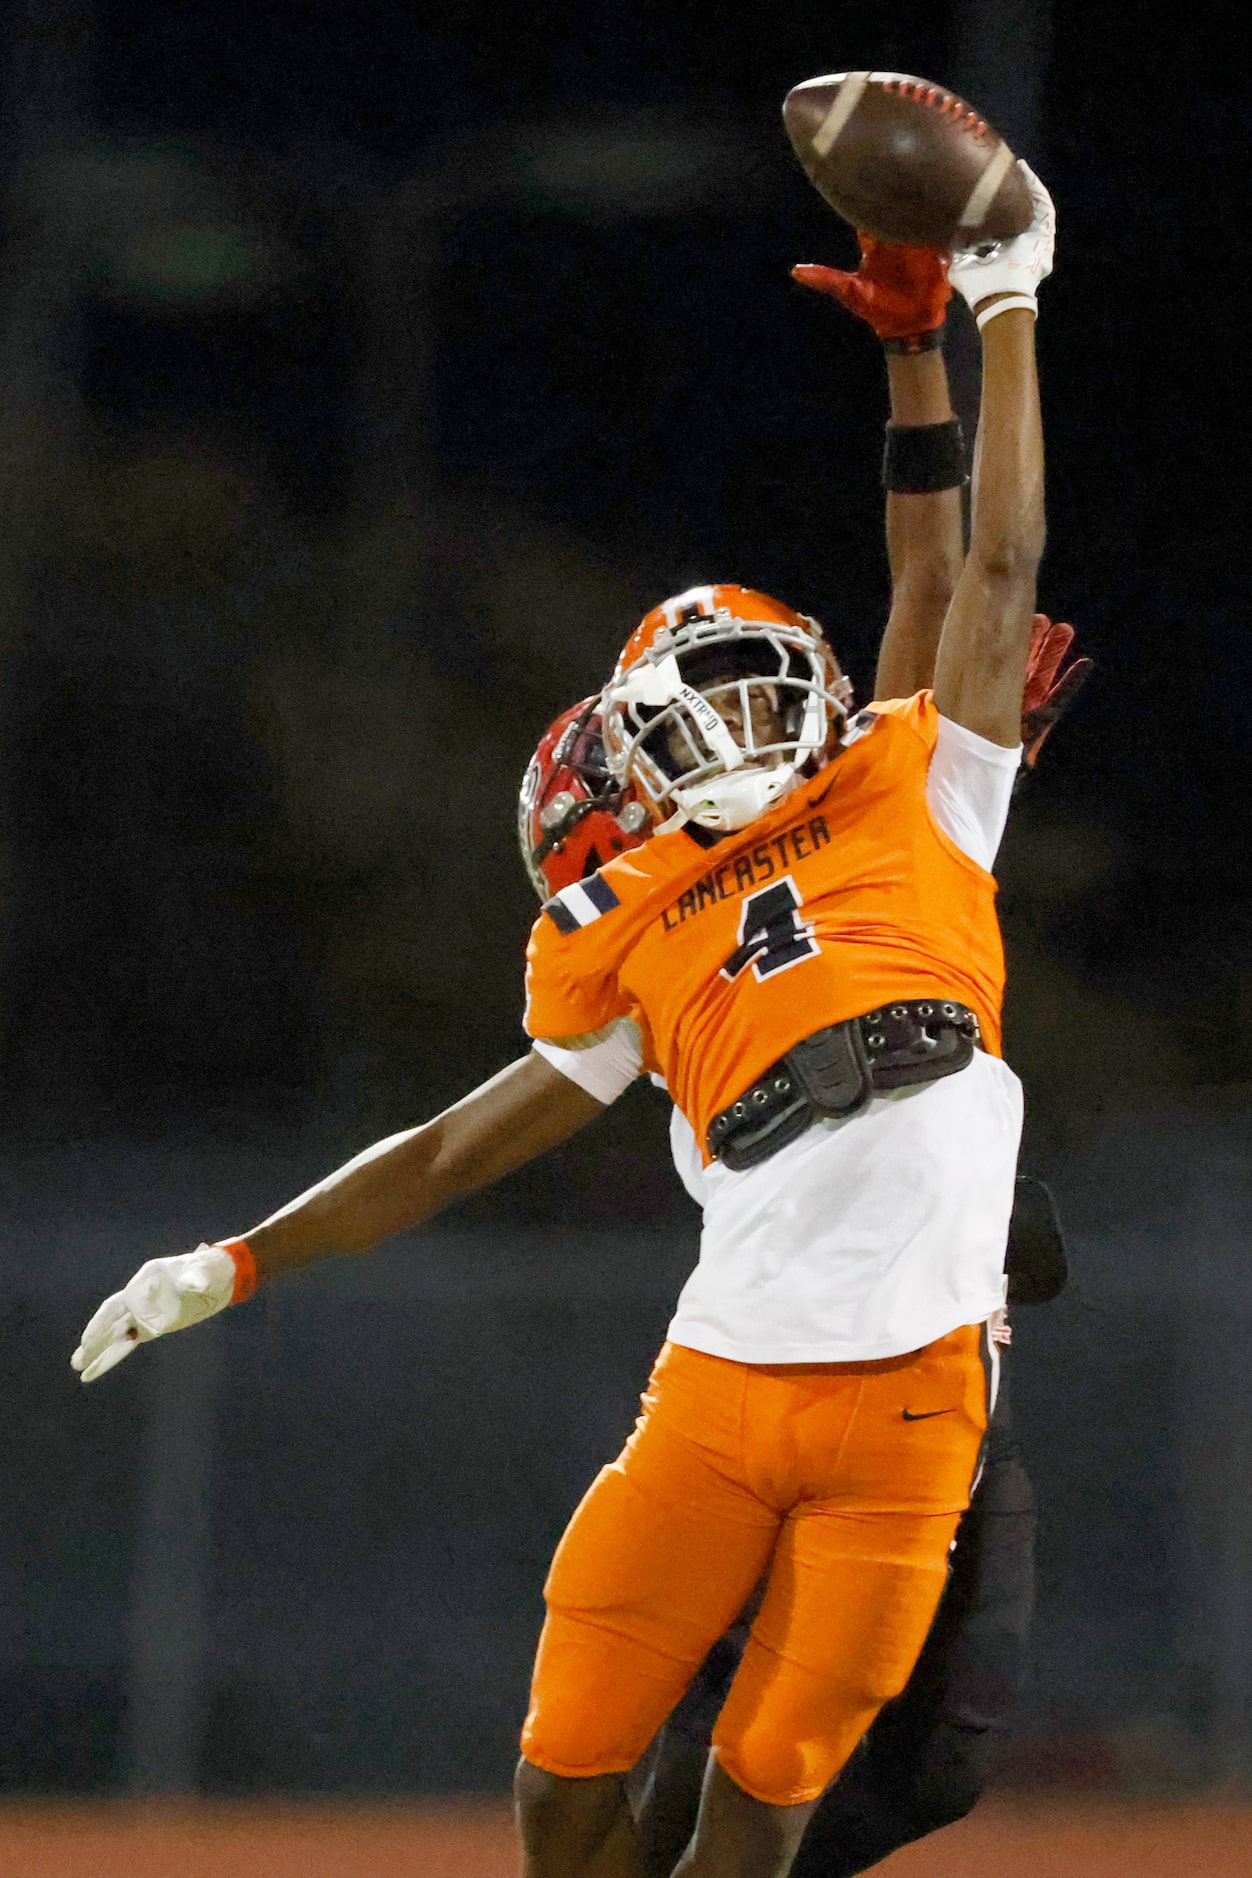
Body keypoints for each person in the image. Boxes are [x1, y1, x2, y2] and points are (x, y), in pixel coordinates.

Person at [73, 168, 1056, 1878]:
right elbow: (452, 1143)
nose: (749, 717)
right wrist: (238, 1258)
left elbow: (978, 559)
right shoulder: (632, 920)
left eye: (765, 679)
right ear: (633, 764)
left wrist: (999, 304)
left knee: (766, 1812)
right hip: (725, 1382)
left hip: (914, 1407)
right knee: (564, 1783)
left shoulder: (915, 789)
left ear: (819, 695)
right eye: (706, 700)